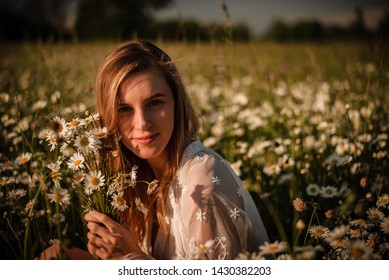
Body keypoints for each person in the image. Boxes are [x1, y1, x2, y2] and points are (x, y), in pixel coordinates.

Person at [39, 40, 268, 260]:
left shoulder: (202, 185)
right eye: (124, 109)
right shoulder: (134, 178)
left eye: (155, 103)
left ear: (176, 102)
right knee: (57, 257)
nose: (142, 124)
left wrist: (133, 259)